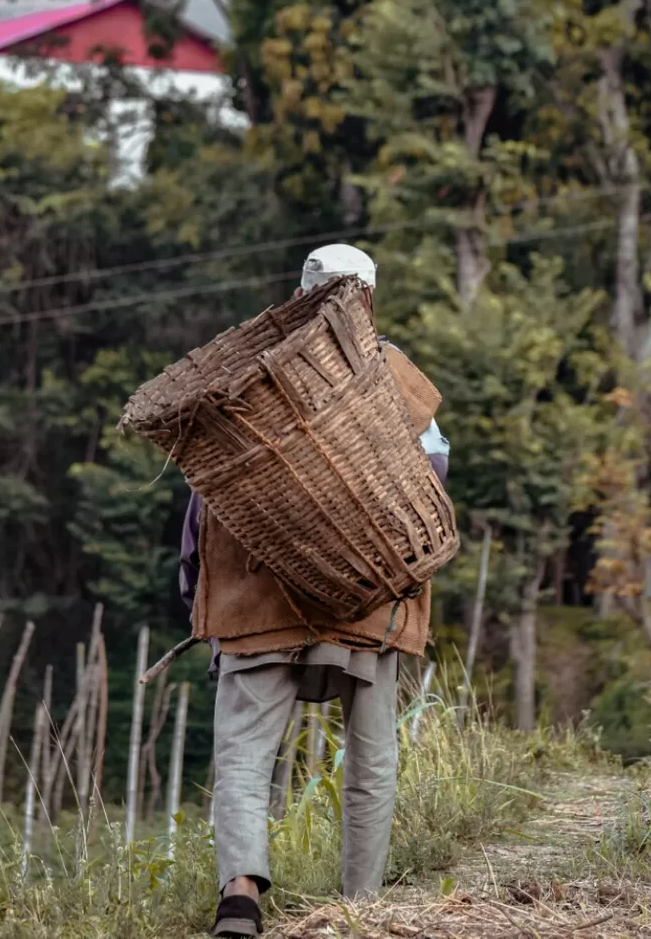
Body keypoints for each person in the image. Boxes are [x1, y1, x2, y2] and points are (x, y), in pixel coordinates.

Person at [178, 244, 451, 938]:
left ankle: (240, 898)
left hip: (257, 600)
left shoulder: (242, 382)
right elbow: (431, 487)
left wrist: (199, 598)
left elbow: (203, 505)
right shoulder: (394, 379)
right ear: (369, 300)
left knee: (244, 754)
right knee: (372, 758)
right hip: (367, 601)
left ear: (298, 297)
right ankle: (362, 906)